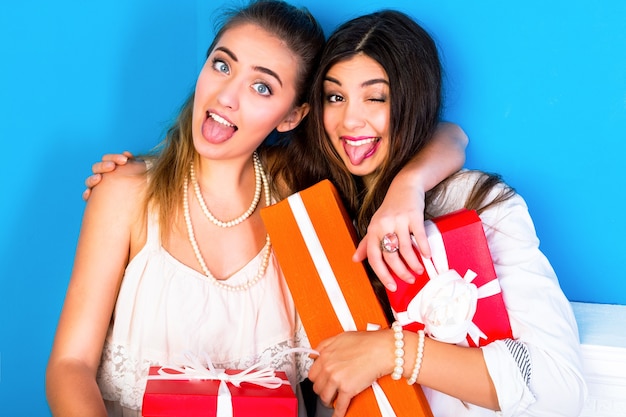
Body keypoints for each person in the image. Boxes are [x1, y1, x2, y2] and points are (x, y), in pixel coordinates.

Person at [47, 2, 467, 417]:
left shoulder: (305, 200)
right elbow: (70, 366)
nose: (227, 95)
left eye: (262, 86)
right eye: (222, 65)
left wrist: (407, 186)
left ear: (292, 116)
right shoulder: (125, 191)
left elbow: (450, 135)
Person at [298, 10, 586, 417]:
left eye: (376, 97)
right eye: (335, 96)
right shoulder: (307, 211)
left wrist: (392, 352)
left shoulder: (479, 204)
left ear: (414, 100)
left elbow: (560, 389)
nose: (349, 119)